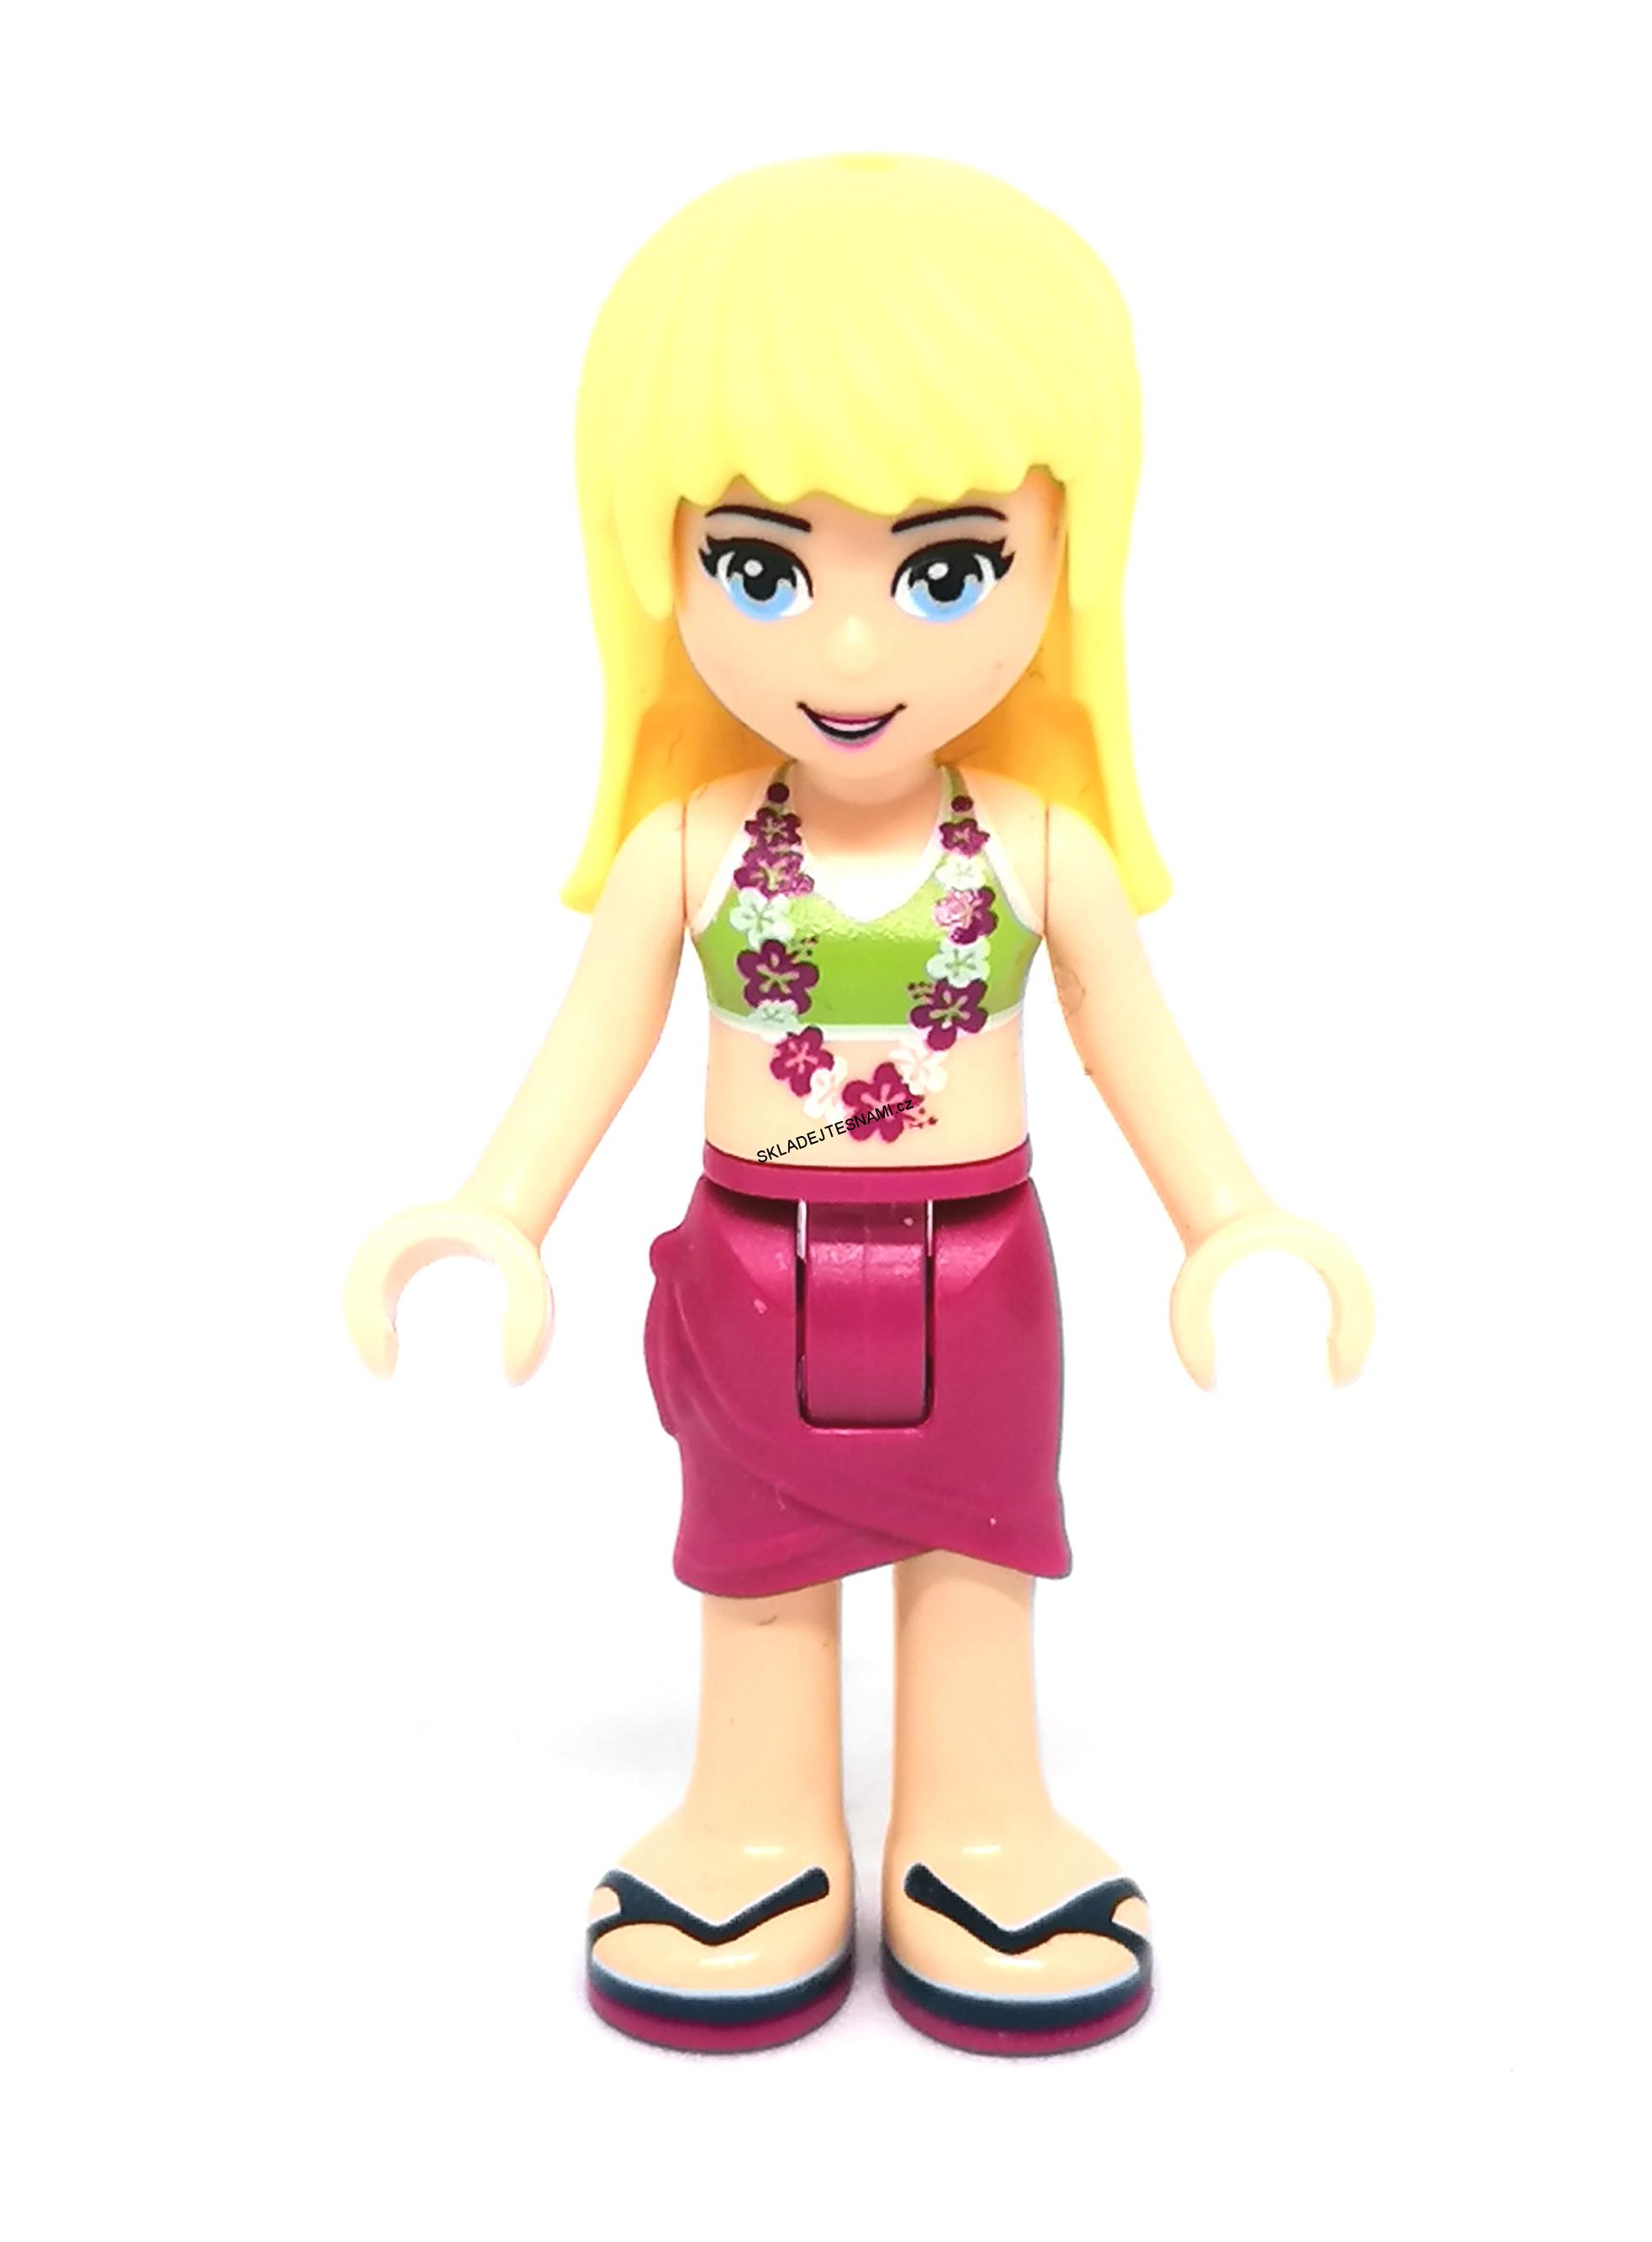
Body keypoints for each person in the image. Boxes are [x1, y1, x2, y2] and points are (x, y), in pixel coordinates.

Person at [345, 153, 1372, 2055]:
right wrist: (497, 1208)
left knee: (981, 1555)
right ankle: (758, 1826)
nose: (844, 649)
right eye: (760, 568)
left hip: (982, 1265)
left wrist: (1231, 1221)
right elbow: (592, 1041)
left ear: (1064, 563)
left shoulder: (1041, 849)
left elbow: (1132, 1035)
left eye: (943, 571)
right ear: (653, 561)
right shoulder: (686, 847)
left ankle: (977, 1822)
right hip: (753, 1267)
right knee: (757, 1568)